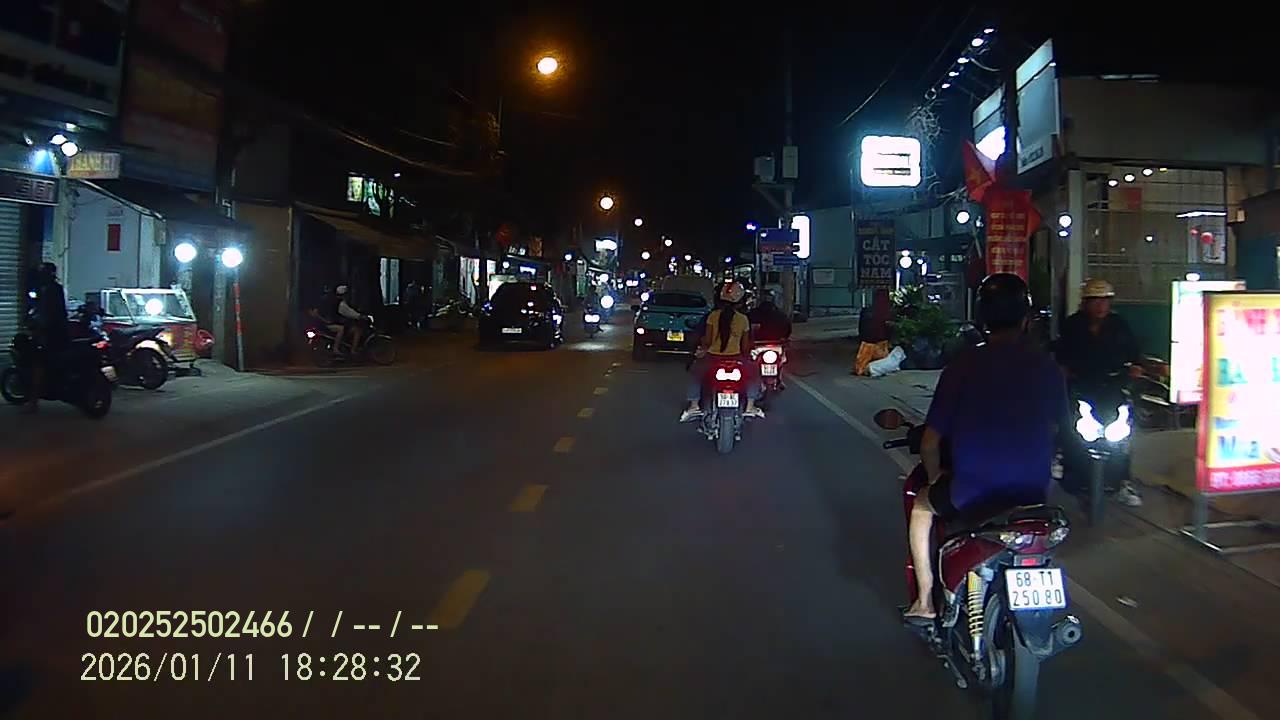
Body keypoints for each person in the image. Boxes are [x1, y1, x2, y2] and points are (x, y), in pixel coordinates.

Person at [902, 273, 1068, 624]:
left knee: (921, 506)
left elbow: (930, 442)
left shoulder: (962, 367)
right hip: (1033, 491)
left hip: (974, 491)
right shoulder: (1048, 367)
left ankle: (925, 600)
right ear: (1026, 319)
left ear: (981, 318)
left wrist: (935, 477)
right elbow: (1060, 429)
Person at [1055, 278, 1144, 506]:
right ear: (1086, 302)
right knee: (1072, 431)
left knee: (1122, 436)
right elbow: (1061, 354)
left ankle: (1122, 481)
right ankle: (1070, 471)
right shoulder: (1073, 325)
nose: (1100, 306)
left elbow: (1134, 353)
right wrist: (1064, 370)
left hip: (1113, 389)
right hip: (1082, 389)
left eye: (1104, 300)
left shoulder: (1118, 325)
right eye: (1095, 300)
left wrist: (1135, 367)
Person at [680, 281, 764, 422]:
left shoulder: (713, 316)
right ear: (740, 302)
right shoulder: (743, 319)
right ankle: (750, 406)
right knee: (754, 374)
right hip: (736, 358)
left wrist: (701, 350)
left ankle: (694, 406)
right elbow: (745, 346)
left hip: (712, 358)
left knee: (696, 374)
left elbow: (707, 341)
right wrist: (748, 356)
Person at [24, 263, 71, 413]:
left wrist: (41, 328)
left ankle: (33, 402)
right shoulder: (51, 289)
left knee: (39, 364)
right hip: (57, 332)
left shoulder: (50, 290)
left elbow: (49, 313)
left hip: (52, 334)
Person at [334, 285, 365, 354]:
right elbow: (350, 313)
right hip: (339, 323)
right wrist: (360, 316)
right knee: (358, 330)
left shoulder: (341, 302)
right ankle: (353, 350)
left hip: (340, 323)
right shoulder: (342, 304)